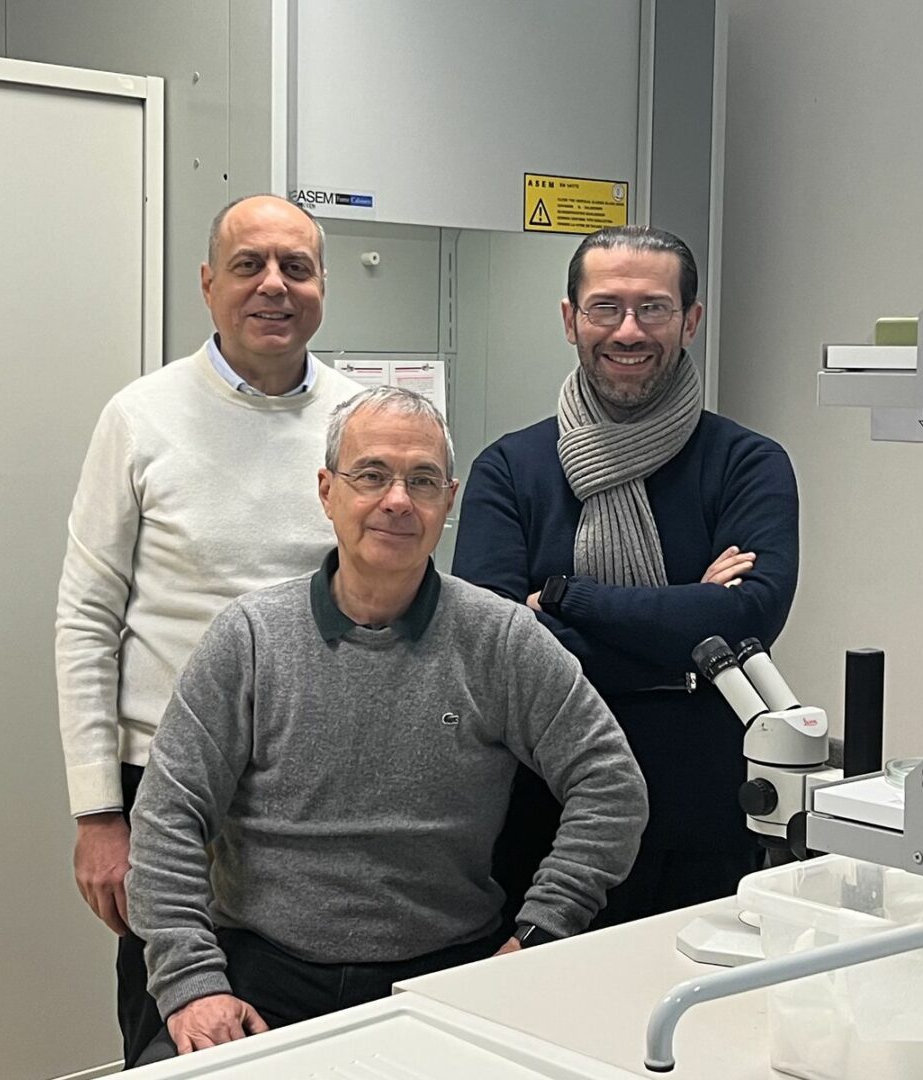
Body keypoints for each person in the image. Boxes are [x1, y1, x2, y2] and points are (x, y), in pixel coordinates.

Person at [126, 387, 649, 1058]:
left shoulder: (502, 640)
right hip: (263, 977)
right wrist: (192, 983)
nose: (398, 500)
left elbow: (612, 787)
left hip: (450, 974)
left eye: (422, 480)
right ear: (327, 491)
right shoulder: (250, 638)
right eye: (371, 475)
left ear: (448, 501)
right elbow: (168, 816)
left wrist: (542, 933)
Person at [55, 193, 362, 1067]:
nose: (274, 286)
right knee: (173, 1029)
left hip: (316, 783)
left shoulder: (357, 423)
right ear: (207, 283)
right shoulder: (140, 417)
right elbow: (86, 620)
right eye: (248, 265)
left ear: (323, 284)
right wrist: (99, 814)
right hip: (166, 785)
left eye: (296, 267)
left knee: (309, 1034)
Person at [452, 224, 799, 925]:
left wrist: (565, 599)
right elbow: (494, 647)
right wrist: (686, 619)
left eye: (654, 308)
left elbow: (747, 621)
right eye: (605, 307)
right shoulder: (509, 470)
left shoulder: (747, 464)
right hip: (541, 816)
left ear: (690, 321)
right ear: (570, 319)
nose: (629, 330)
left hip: (702, 820)